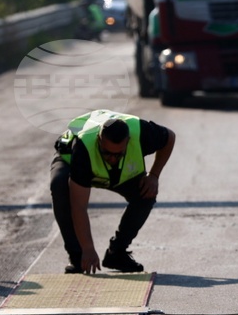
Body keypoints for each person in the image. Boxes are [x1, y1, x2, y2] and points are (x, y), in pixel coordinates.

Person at [51, 109, 175, 274]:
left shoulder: (142, 132)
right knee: (59, 185)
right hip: (70, 161)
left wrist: (153, 175)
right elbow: (79, 206)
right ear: (99, 140)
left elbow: (170, 138)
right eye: (107, 153)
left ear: (128, 141)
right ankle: (77, 257)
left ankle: (117, 253)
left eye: (118, 154)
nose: (112, 158)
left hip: (118, 175)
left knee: (147, 192)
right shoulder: (84, 147)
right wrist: (88, 248)